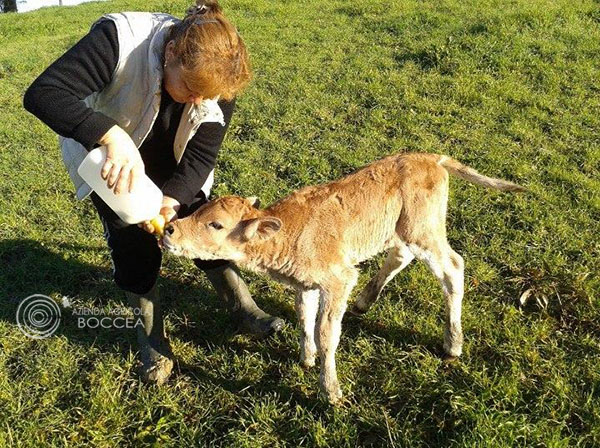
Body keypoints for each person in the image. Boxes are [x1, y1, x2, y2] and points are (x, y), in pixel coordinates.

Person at [23, 0, 284, 385]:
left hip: (173, 158)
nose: (199, 100)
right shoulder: (119, 40)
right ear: (172, 52)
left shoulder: (220, 76)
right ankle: (152, 337)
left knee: (202, 223)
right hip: (110, 162)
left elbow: (202, 153)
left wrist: (172, 199)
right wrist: (110, 135)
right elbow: (43, 93)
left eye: (206, 96)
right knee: (132, 243)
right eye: (191, 88)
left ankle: (241, 305)